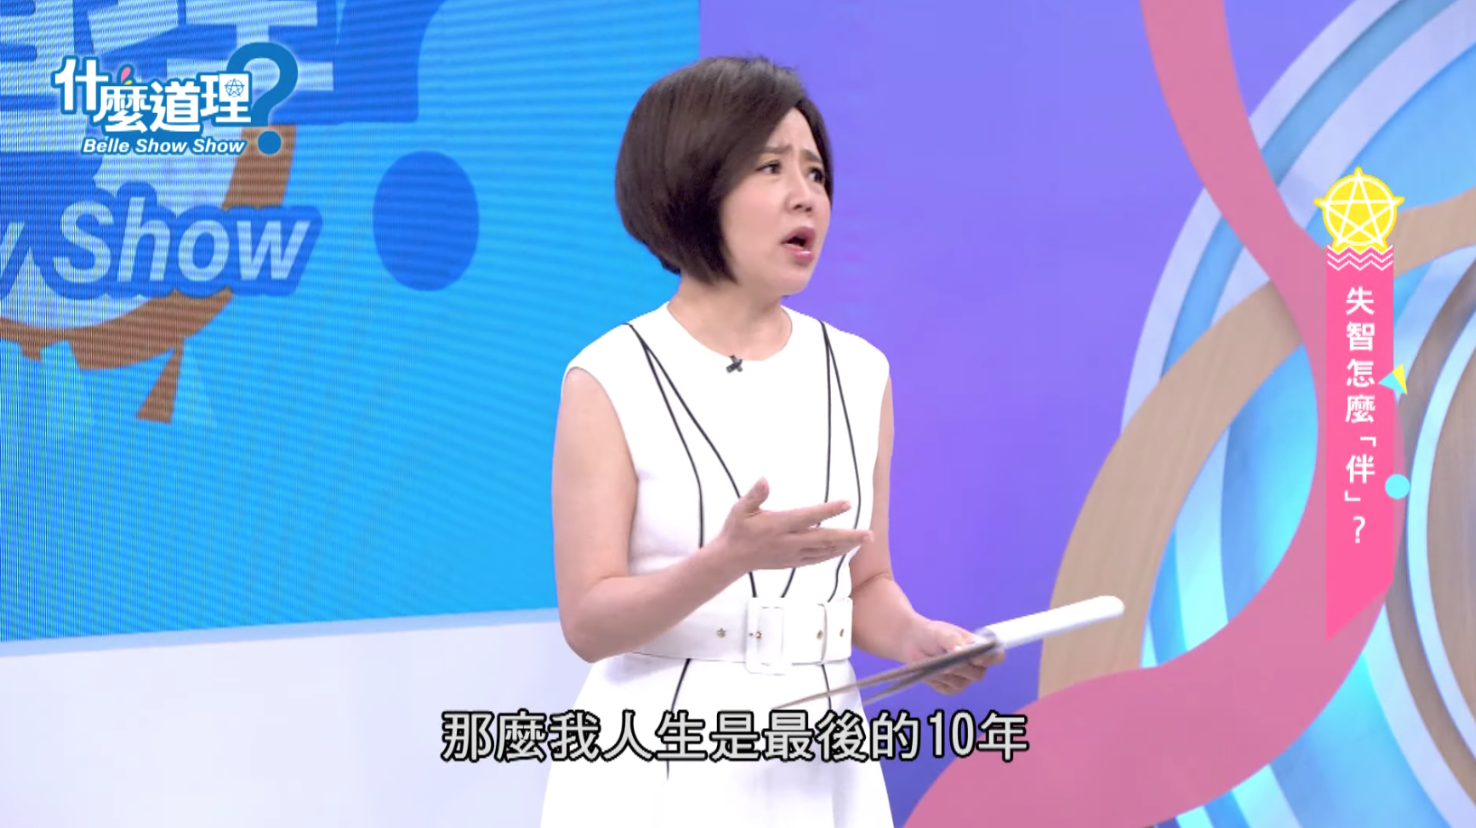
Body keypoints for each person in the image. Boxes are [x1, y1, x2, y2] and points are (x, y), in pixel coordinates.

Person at [539, 56, 1002, 828]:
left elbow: (865, 583)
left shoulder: (860, 371)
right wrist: (726, 560)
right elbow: (588, 623)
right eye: (770, 167)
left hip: (821, 751)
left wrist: (917, 639)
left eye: (815, 172)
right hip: (661, 755)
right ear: (692, 183)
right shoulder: (610, 375)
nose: (805, 195)